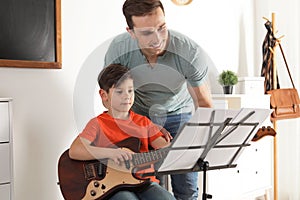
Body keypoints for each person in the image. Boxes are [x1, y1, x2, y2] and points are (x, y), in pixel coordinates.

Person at [104, 0, 214, 199]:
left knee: (187, 189)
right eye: (146, 33)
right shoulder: (119, 50)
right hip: (137, 117)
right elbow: (111, 97)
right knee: (149, 185)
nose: (157, 39)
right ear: (131, 32)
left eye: (161, 27)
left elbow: (204, 105)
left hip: (179, 115)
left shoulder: (189, 52)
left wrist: (197, 142)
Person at [69, 64, 175, 200]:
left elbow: (164, 148)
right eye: (120, 92)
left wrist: (181, 145)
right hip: (112, 186)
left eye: (130, 91)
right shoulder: (97, 124)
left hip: (144, 182)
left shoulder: (143, 122)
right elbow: (75, 150)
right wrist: (112, 153)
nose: (127, 96)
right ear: (104, 95)